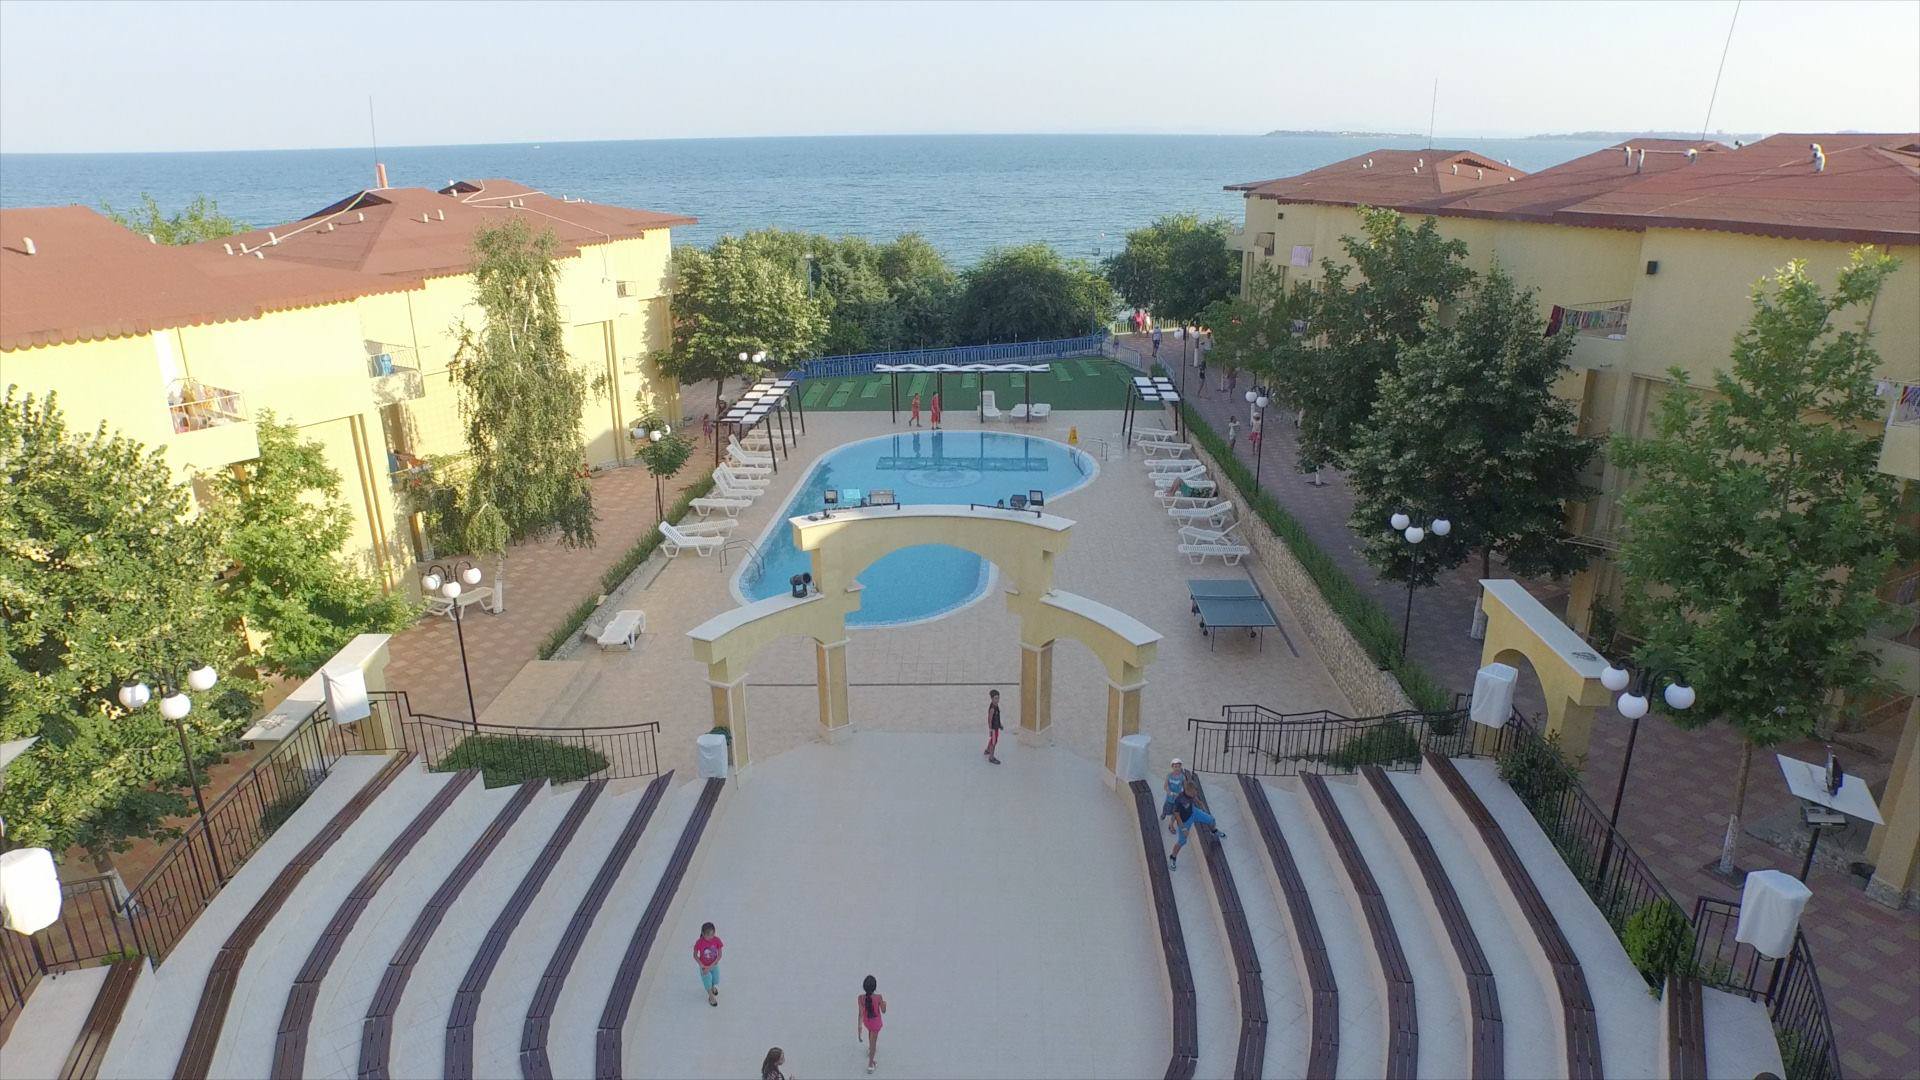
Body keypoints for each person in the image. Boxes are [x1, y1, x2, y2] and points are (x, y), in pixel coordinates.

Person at [1162, 789, 1223, 870]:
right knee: (1182, 841)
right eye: (1193, 794)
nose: (1194, 795)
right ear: (1187, 794)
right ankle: (1172, 858)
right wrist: (1183, 828)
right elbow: (1177, 816)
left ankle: (1214, 831)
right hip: (1185, 821)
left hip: (1194, 812)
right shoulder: (1179, 801)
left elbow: (1195, 798)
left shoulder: (1191, 795)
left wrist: (1200, 803)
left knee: (1211, 820)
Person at [856, 974, 887, 1073]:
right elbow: (883, 1011)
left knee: (870, 1033)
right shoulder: (878, 997)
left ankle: (870, 1049)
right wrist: (884, 1004)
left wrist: (859, 1030)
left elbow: (860, 1014)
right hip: (875, 1024)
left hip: (867, 1022)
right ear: (875, 987)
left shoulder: (860, 998)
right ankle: (870, 1064)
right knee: (874, 1043)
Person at [694, 921, 723, 1006]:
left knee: (715, 979)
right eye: (708, 935)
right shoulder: (699, 942)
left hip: (714, 965)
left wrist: (711, 966)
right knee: (707, 981)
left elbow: (719, 955)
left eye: (712, 934)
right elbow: (695, 955)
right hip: (704, 966)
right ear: (703, 934)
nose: (711, 937)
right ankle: (711, 996)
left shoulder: (717, 940)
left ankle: (713, 987)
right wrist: (702, 965)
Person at [1161, 758, 1190, 835]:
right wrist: (1169, 792)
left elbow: (1185, 787)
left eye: (1179, 767)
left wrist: (1183, 793)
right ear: (1172, 767)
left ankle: (1171, 825)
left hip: (1178, 799)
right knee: (1167, 808)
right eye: (1175, 766)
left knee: (1175, 813)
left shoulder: (1182, 777)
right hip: (1170, 798)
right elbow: (1165, 786)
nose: (1177, 768)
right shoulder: (1169, 776)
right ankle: (1164, 813)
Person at [983, 688, 1003, 764]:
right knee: (994, 742)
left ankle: (988, 750)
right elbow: (989, 719)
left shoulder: (996, 706)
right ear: (992, 698)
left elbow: (997, 717)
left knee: (992, 740)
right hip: (994, 728)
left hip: (996, 727)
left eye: (998, 698)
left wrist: (1000, 724)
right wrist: (990, 729)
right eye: (995, 698)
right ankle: (991, 757)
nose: (997, 700)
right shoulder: (992, 708)